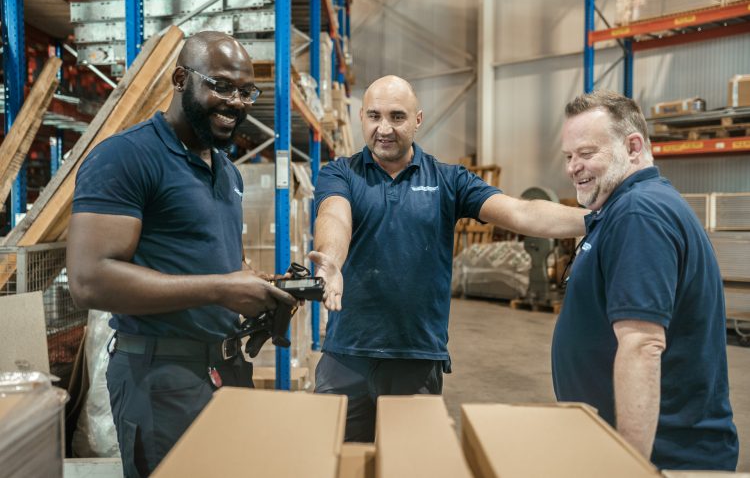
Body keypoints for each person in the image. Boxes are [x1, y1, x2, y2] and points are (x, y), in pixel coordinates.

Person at [308, 75, 588, 442]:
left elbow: (520, 212)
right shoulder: (340, 173)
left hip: (417, 359)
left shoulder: (448, 180)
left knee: (410, 461)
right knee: (333, 457)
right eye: (374, 116)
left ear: (418, 120)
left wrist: (596, 219)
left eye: (397, 116)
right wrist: (330, 259)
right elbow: (334, 216)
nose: (384, 128)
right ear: (361, 117)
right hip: (346, 356)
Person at [67, 31, 297, 477]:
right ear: (179, 79)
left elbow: (217, 262)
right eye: (222, 86)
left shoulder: (226, 170)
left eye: (246, 91)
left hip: (226, 367)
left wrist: (258, 287)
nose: (236, 102)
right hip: (161, 376)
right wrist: (221, 289)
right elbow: (88, 280)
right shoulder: (125, 157)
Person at [551, 90, 738, 470]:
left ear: (633, 147)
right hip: (644, 448)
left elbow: (642, 345)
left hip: (663, 457)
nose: (573, 167)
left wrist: (630, 466)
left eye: (586, 153)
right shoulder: (627, 207)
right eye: (569, 157)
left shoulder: (639, 214)